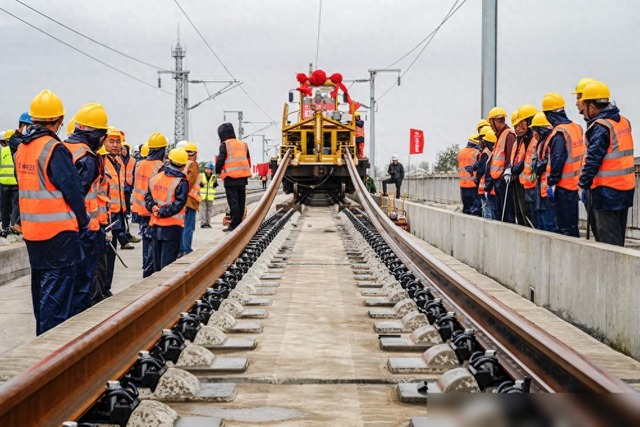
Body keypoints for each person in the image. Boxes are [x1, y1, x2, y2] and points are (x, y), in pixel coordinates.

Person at [17, 90, 88, 335]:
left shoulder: (23, 149)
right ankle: (50, 353)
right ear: (58, 120)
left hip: (32, 232)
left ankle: (41, 345)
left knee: (41, 293)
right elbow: (73, 190)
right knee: (56, 300)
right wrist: (83, 221)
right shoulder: (54, 148)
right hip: (58, 234)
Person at [63, 104, 109, 312]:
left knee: (65, 284)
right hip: (85, 227)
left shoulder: (62, 147)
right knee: (82, 284)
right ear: (97, 134)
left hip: (60, 226)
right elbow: (78, 195)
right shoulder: (88, 157)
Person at [578, 82, 635, 247]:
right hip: (625, 189)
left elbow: (593, 160)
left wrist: (583, 185)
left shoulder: (601, 127)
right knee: (618, 239)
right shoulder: (624, 122)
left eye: (585, 104)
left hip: (606, 192)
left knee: (608, 243)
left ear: (592, 106)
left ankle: (615, 273)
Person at [541, 93, 585, 237]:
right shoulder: (576, 128)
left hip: (563, 187)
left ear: (549, 115)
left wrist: (552, 182)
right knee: (571, 227)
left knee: (564, 229)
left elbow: (558, 158)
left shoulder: (559, 133)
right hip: (576, 184)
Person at [146, 148, 189, 271]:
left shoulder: (156, 178)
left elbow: (148, 197)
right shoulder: (181, 182)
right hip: (171, 228)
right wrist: (162, 212)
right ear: (184, 165)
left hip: (154, 226)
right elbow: (179, 204)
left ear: (169, 160)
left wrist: (153, 207)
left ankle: (156, 289)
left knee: (157, 265)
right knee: (167, 267)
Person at [133, 134, 166, 277]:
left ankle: (145, 269)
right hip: (152, 210)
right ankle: (149, 273)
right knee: (153, 243)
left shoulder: (139, 163)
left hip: (139, 209)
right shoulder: (160, 166)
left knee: (145, 242)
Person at [215, 123, 251, 232]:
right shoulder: (244, 144)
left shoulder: (225, 145)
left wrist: (217, 171)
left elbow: (220, 160)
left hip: (230, 178)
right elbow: (248, 161)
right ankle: (240, 224)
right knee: (241, 202)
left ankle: (234, 226)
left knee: (233, 204)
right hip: (243, 178)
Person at [510, 105, 538, 228]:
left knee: (528, 214)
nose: (518, 128)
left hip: (529, 182)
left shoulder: (532, 139)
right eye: (516, 126)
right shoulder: (519, 141)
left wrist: (515, 169)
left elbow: (528, 159)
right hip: (520, 181)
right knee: (521, 214)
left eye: (521, 124)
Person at [488, 107, 517, 223]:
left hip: (504, 181)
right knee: (499, 214)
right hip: (498, 181)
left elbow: (510, 158)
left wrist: (505, 173)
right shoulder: (499, 136)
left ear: (497, 121)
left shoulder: (508, 135)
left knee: (507, 214)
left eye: (491, 122)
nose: (490, 126)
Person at [530, 113, 558, 232]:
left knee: (549, 226)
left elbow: (542, 163)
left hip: (548, 191)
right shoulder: (540, 143)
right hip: (541, 192)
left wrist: (536, 166)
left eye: (535, 130)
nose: (533, 134)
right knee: (542, 226)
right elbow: (535, 164)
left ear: (541, 130)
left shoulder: (549, 141)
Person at [179, 141, 200, 257]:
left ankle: (181, 249)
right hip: (190, 199)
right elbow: (190, 182)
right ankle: (186, 249)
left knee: (182, 226)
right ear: (195, 154)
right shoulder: (193, 165)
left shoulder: (181, 164)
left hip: (181, 200)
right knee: (189, 227)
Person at [1, 130, 19, 236]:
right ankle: (14, 226)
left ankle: (4, 227)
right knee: (15, 204)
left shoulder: (2, 151)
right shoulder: (18, 150)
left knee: (4, 205)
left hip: (3, 183)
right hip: (16, 182)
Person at [458, 134, 481, 216]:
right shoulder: (477, 153)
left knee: (466, 209)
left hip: (463, 185)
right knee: (476, 210)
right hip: (473, 184)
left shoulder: (461, 152)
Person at [479, 128, 499, 219]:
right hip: (491, 188)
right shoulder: (492, 152)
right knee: (491, 212)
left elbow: (486, 170)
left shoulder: (487, 152)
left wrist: (487, 188)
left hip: (489, 188)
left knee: (489, 212)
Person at [199, 162, 217, 228]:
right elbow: (198, 184)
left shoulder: (213, 177)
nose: (207, 170)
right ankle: (203, 223)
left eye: (209, 169)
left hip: (210, 196)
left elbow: (215, 185)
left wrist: (215, 183)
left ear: (211, 170)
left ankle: (208, 223)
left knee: (209, 211)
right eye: (206, 169)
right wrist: (201, 184)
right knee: (203, 210)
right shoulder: (201, 175)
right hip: (202, 196)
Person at [120, 141, 136, 217]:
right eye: (122, 149)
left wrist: (133, 183)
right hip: (120, 182)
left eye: (125, 149)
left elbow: (134, 173)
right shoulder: (118, 159)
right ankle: (122, 211)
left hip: (129, 183)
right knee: (121, 198)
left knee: (127, 198)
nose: (124, 151)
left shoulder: (133, 160)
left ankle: (128, 211)